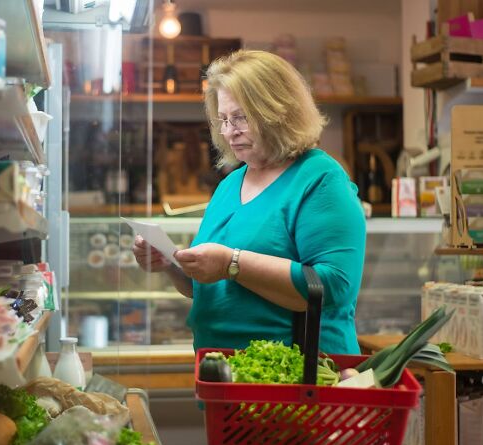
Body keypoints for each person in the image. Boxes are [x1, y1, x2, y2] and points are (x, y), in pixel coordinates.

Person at [133, 50, 366, 354]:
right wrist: (171, 266)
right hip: (226, 378)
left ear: (279, 111)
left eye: (241, 117)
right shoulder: (231, 184)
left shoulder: (319, 179)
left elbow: (332, 286)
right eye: (224, 119)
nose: (230, 131)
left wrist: (232, 262)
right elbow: (209, 288)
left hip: (297, 380)